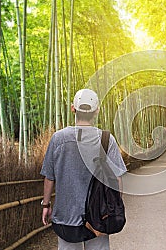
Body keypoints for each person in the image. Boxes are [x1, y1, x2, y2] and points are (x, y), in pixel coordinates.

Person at [41, 88, 127, 250]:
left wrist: (46, 205)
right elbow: (117, 179)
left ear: (73, 108)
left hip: (65, 217)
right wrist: (114, 208)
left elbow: (49, 177)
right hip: (99, 216)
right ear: (97, 111)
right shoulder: (107, 140)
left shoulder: (58, 139)